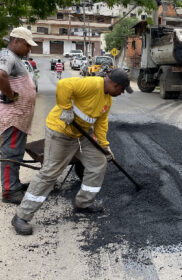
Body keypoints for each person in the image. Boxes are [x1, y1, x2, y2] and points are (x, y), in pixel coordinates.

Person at [12, 69, 133, 235]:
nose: (121, 93)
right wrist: (66, 108)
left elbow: (101, 123)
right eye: (121, 90)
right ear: (115, 85)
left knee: (98, 163)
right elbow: (63, 84)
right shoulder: (92, 84)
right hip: (60, 132)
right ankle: (21, 216)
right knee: (50, 173)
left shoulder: (107, 99)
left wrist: (104, 146)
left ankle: (84, 203)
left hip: (81, 135)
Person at [0, 27, 38, 204]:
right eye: (27, 45)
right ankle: (9, 191)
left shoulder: (15, 58)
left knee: (16, 152)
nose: (29, 49)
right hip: (14, 116)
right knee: (11, 152)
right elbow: (1, 75)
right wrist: (10, 95)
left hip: (19, 116)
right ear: (16, 41)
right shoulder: (7, 55)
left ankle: (14, 184)